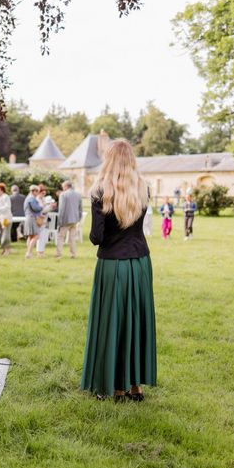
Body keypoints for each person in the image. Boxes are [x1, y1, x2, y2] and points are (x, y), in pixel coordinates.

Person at [81, 139, 156, 402]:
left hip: (112, 266)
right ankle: (135, 387)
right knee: (136, 322)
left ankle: (115, 387)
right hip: (140, 264)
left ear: (108, 160)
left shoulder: (101, 191)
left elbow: (96, 236)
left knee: (112, 323)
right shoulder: (144, 188)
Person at [56, 180, 82, 258]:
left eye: (63, 187)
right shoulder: (78, 194)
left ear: (66, 186)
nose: (63, 188)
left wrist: (60, 221)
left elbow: (61, 209)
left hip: (65, 220)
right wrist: (79, 219)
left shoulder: (63, 194)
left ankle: (59, 254)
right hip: (75, 219)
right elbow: (80, 208)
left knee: (60, 237)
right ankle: (73, 254)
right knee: (72, 238)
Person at [36, 185, 57, 257]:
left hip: (45, 219)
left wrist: (51, 207)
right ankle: (39, 252)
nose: (43, 195)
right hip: (40, 219)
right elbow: (42, 210)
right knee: (40, 236)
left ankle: (41, 251)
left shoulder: (43, 199)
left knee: (44, 236)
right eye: (42, 193)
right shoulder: (37, 200)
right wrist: (50, 207)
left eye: (44, 193)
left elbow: (45, 209)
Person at [23, 185, 43, 258]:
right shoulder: (31, 198)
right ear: (34, 191)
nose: (38, 193)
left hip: (29, 217)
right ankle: (28, 253)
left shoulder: (28, 198)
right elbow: (35, 208)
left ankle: (29, 252)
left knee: (31, 236)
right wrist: (41, 206)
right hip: (32, 218)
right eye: (37, 191)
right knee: (36, 235)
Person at [0, 183, 12, 256]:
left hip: (6, 218)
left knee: (5, 234)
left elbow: (7, 207)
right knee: (1, 234)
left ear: (1, 190)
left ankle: (7, 250)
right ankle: (4, 250)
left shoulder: (6, 197)